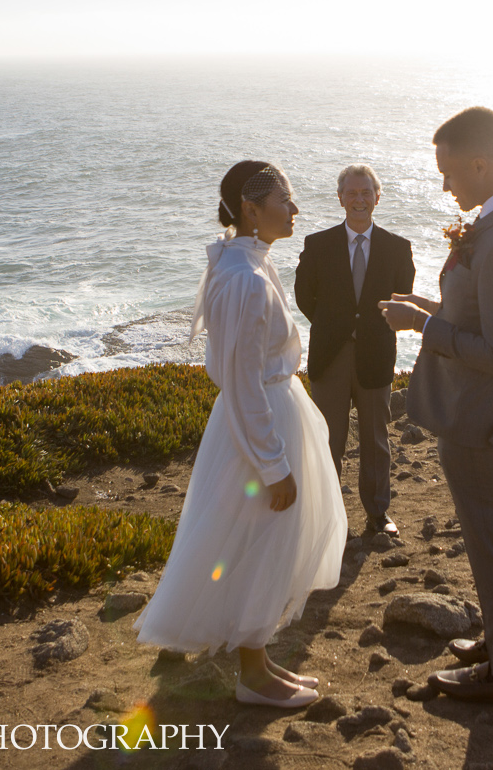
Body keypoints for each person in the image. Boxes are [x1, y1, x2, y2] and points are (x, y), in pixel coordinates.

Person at [134, 160, 347, 709]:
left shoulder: (251, 262)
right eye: (286, 199)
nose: (296, 209)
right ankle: (251, 676)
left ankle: (260, 657)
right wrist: (273, 465)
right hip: (261, 427)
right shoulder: (245, 280)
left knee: (269, 543)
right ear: (252, 210)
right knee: (259, 543)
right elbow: (242, 382)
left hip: (275, 413)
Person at [379, 107, 493, 705]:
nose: (444, 184)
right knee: (488, 539)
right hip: (475, 407)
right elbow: (482, 313)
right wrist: (429, 306)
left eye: (450, 172)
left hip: (484, 415)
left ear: (481, 164)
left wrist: (422, 327)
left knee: (492, 543)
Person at [294, 164, 416, 536]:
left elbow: (401, 297)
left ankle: (378, 516)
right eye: (352, 193)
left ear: (377, 198)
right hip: (330, 355)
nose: (359, 200)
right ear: (340, 198)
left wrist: (367, 328)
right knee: (328, 438)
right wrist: (336, 325)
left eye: (366, 193)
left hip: (376, 355)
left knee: (376, 439)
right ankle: (326, 519)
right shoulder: (318, 245)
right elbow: (304, 296)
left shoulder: (398, 248)